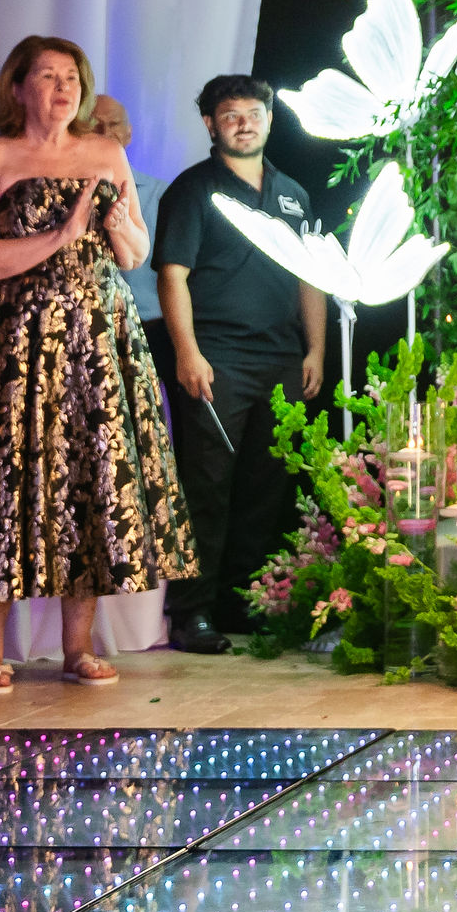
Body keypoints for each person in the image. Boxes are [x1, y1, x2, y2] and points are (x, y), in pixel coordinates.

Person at [0, 35, 196, 691]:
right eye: (47, 76)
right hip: (13, 338)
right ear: (17, 87)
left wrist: (116, 224)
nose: (62, 89)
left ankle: (79, 646)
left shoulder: (104, 152)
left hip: (97, 334)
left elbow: (134, 253)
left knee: (90, 479)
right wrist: (62, 233)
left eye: (71, 77)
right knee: (3, 481)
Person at [152, 74, 325, 651]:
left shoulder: (294, 193)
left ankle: (243, 604)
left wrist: (317, 348)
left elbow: (311, 276)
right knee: (206, 486)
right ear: (210, 124)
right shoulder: (193, 191)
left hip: (281, 358)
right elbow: (172, 276)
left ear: (272, 120)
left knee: (265, 487)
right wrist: (187, 352)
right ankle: (190, 613)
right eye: (232, 115)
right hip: (216, 360)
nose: (245, 122)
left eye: (255, 112)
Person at [89, 96, 164, 328]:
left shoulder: (161, 193)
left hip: (149, 322)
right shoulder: (57, 193)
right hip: (86, 321)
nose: (104, 131)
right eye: (94, 123)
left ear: (129, 133)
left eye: (114, 124)